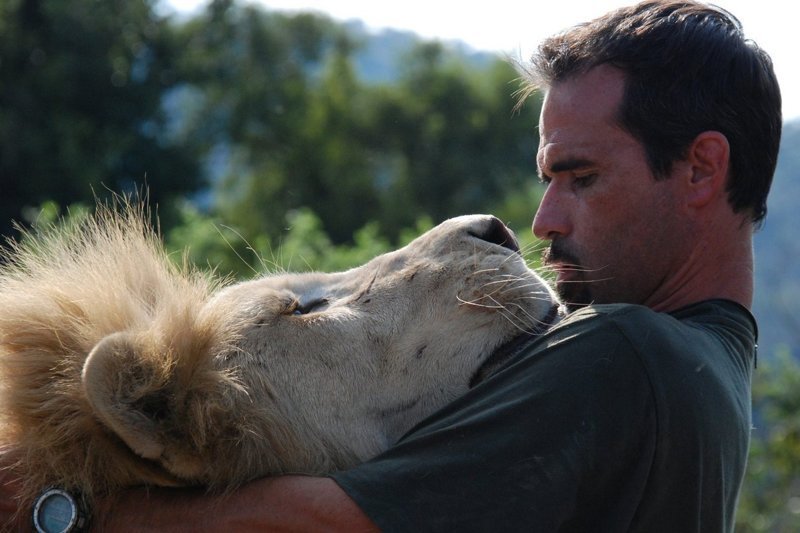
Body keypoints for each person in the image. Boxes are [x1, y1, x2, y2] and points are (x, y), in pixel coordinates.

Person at [0, 0, 782, 531]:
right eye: (547, 179)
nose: (541, 221)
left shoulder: (625, 354)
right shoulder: (708, 373)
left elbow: (330, 523)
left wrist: (62, 504)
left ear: (701, 170)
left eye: (582, 178)